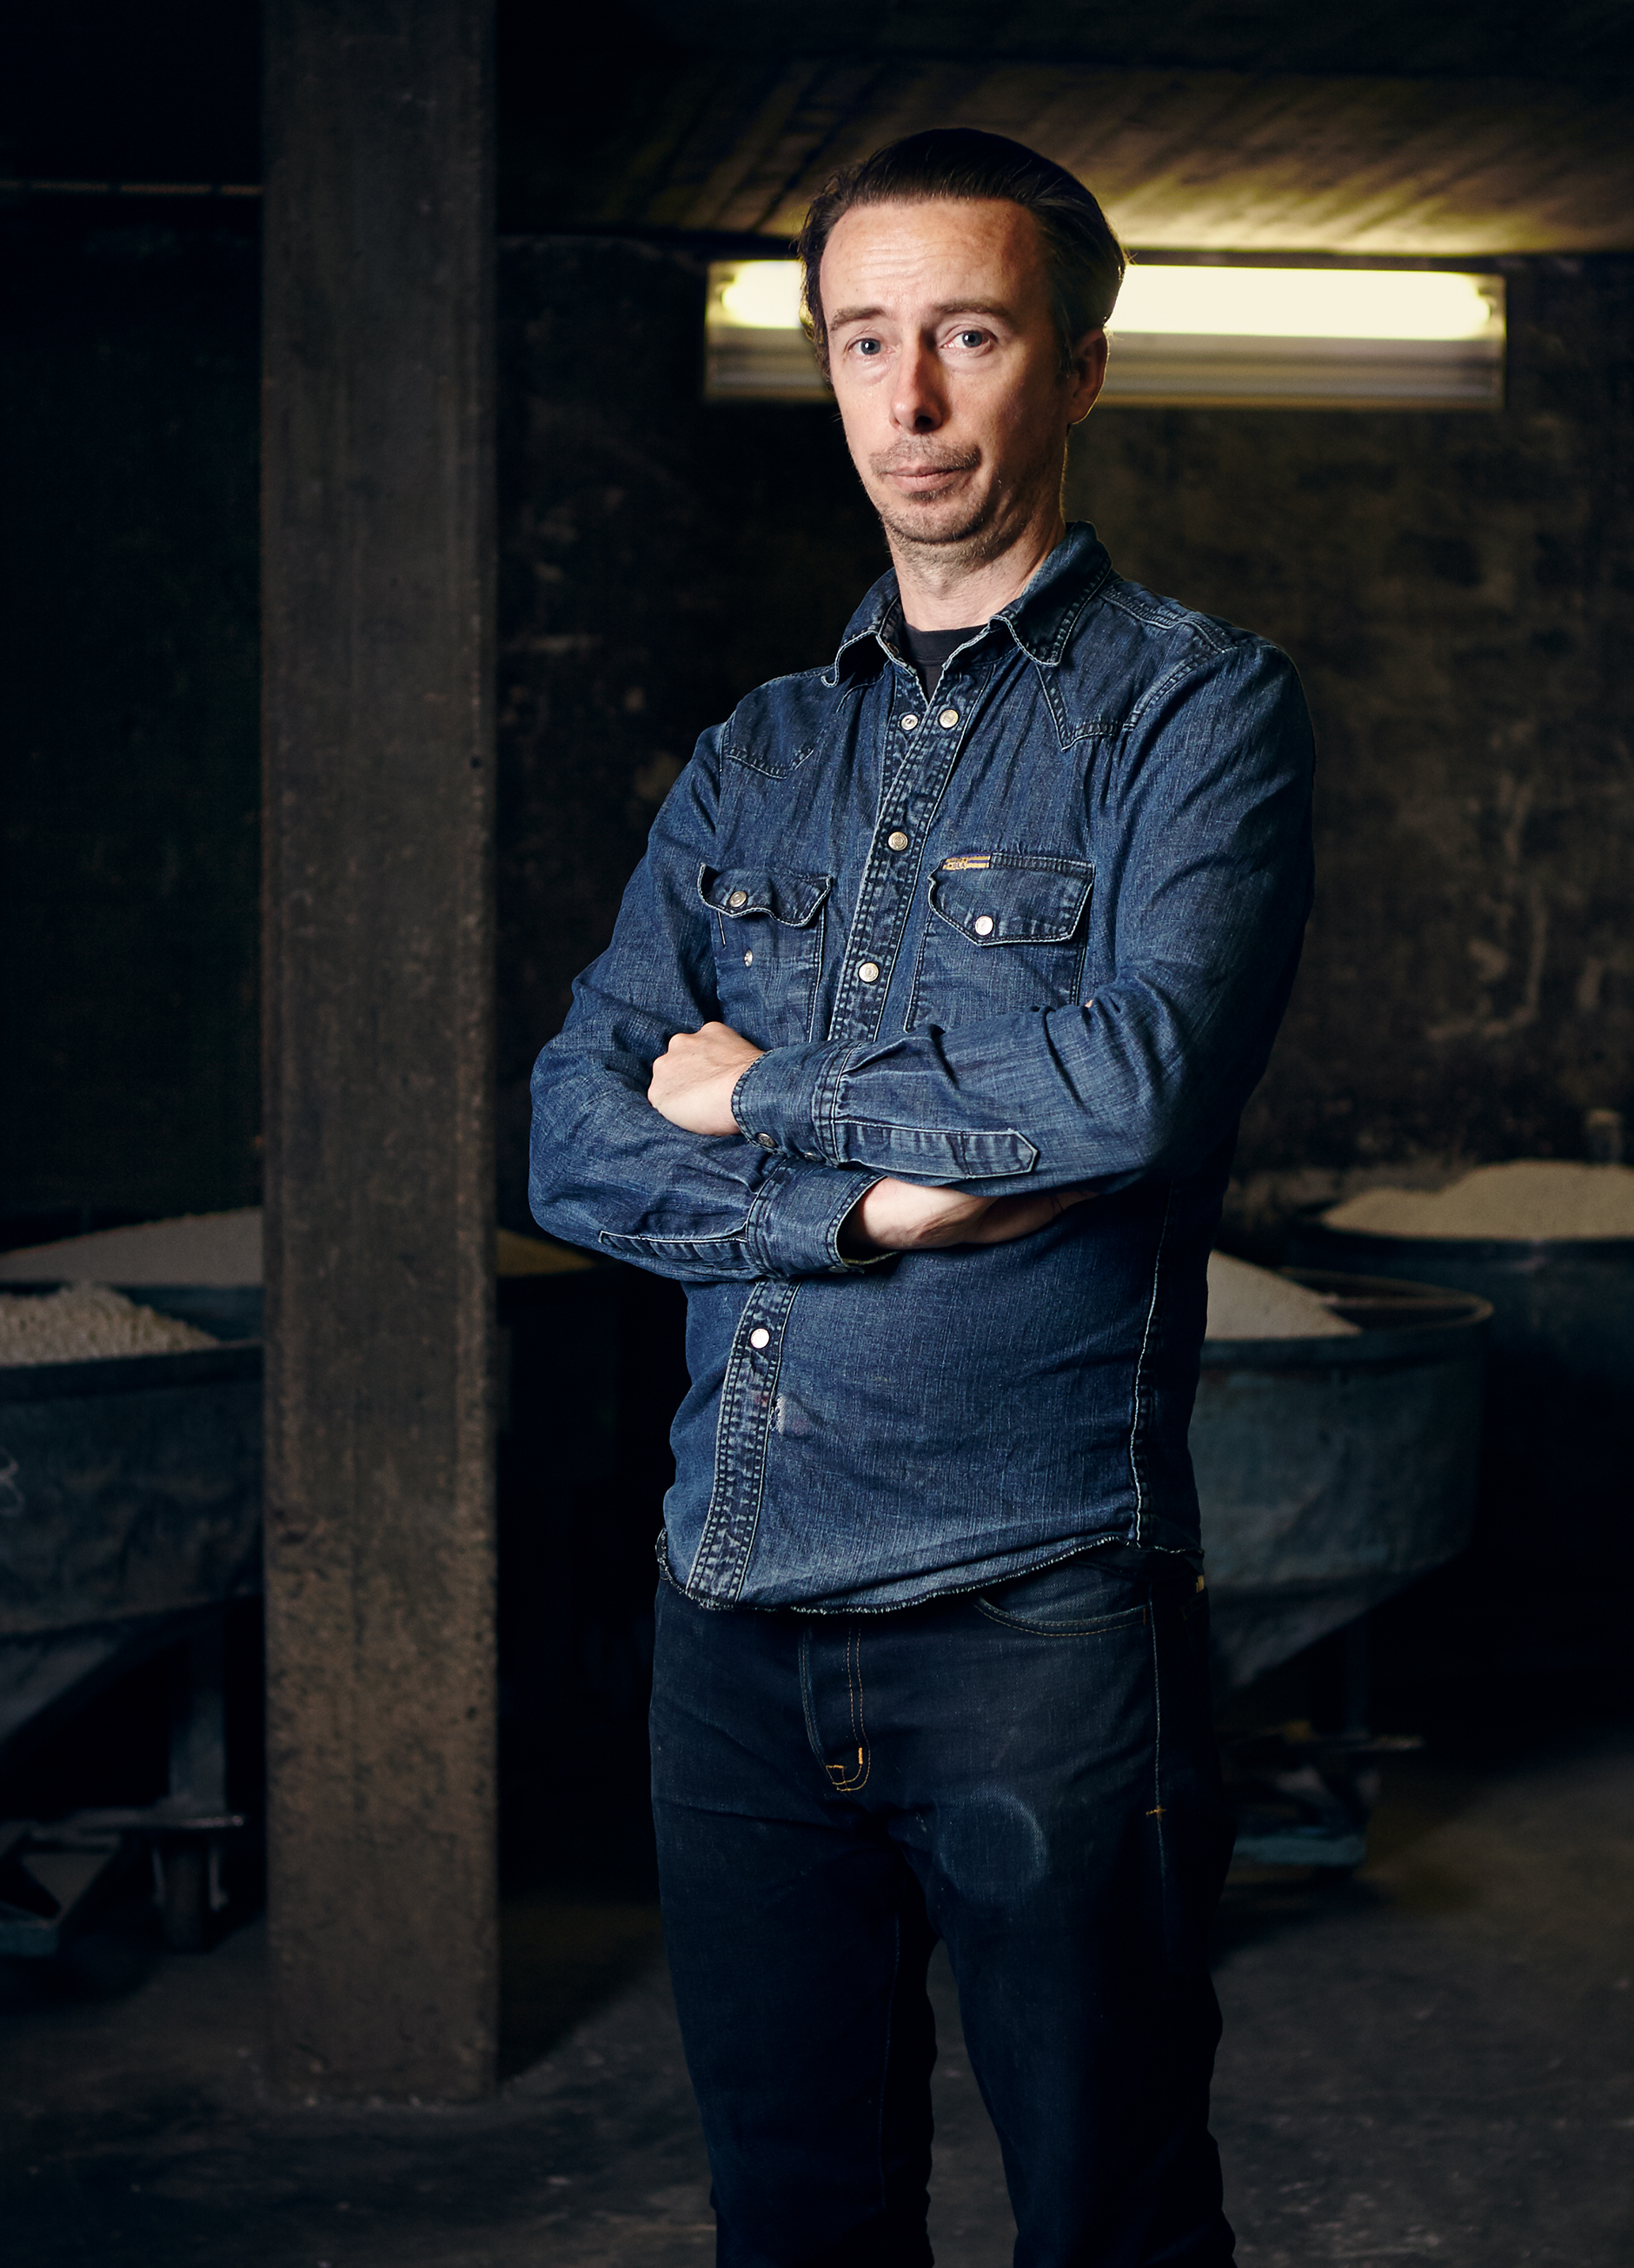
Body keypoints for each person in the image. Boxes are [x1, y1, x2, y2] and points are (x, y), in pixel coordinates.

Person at [527, 129, 1315, 2268]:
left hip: (1034, 1614)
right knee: (794, 2217)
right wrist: (860, 1206)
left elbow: (1127, 1085)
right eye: (863, 341)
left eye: (968, 333)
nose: (912, 397)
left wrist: (764, 1091)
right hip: (729, 1606)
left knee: (1109, 2213)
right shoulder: (757, 753)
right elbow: (572, 1128)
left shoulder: (1196, 710)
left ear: (1077, 365)